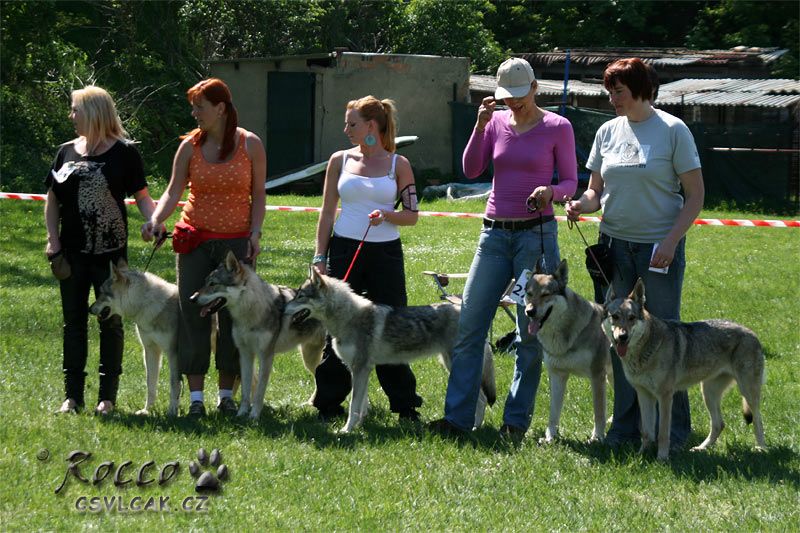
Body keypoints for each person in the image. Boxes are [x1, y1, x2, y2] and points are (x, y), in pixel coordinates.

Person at [429, 58, 578, 438]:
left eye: (520, 95)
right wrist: (479, 127)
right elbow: (471, 169)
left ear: (534, 88)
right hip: (493, 236)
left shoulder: (557, 126)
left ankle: (515, 422)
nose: (513, 103)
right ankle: (457, 420)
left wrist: (552, 192)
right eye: (506, 97)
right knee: (469, 326)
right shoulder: (493, 123)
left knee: (529, 335)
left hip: (535, 236)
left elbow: (572, 182)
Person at [566, 58, 704, 450]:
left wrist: (672, 241)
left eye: (618, 90)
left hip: (659, 250)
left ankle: (674, 433)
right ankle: (625, 429)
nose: (612, 97)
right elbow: (595, 191)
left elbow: (695, 196)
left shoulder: (673, 131)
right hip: (613, 248)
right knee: (619, 340)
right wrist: (581, 204)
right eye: (609, 90)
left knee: (666, 342)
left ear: (641, 89)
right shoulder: (607, 132)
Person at [142, 78, 266, 418]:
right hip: (193, 240)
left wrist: (255, 233)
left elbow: (258, 195)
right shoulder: (189, 146)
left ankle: (226, 395)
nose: (194, 113)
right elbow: (172, 191)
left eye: (200, 106)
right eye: (193, 106)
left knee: (233, 319)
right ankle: (195, 398)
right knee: (192, 314)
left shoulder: (249, 145)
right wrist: (155, 219)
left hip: (235, 245)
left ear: (221, 108)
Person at [45, 85, 159, 415]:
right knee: (74, 323)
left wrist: (154, 221)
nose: (71, 115)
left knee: (111, 323)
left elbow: (141, 197)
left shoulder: (125, 153)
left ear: (93, 112)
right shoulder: (65, 152)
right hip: (72, 253)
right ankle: (72, 396)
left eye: (75, 109)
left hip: (112, 258)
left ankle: (107, 398)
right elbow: (52, 202)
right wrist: (53, 241)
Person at [310, 95, 423, 422]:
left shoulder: (398, 165)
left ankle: (405, 406)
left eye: (352, 124)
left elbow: (412, 216)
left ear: (371, 126)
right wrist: (320, 255)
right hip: (344, 250)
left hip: (386, 255)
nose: (346, 129)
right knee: (339, 326)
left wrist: (387, 215)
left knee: (393, 327)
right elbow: (327, 211)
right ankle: (328, 403)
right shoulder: (339, 160)